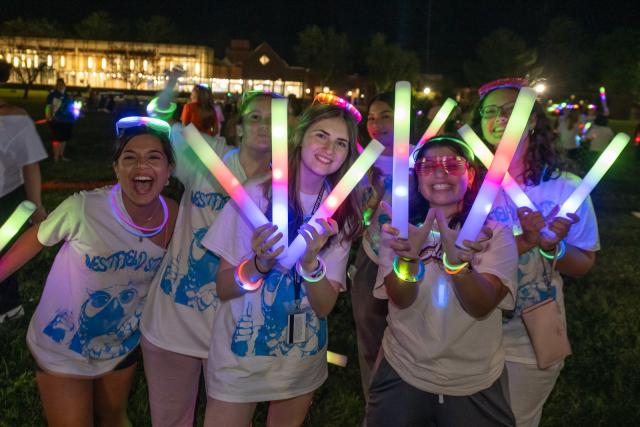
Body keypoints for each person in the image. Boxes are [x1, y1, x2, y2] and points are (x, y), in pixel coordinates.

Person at [0, 118, 179, 426]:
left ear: (168, 171)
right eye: (129, 157)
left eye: (153, 157)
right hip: (65, 343)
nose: (141, 165)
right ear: (116, 169)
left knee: (113, 417)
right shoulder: (83, 209)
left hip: (122, 343)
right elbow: (33, 243)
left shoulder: (175, 216)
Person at [201, 103, 363, 427]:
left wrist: (310, 261)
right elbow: (223, 287)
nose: (329, 148)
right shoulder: (254, 196)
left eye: (341, 143)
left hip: (299, 360)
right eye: (321, 135)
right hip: (240, 357)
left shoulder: (339, 212)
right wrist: (259, 265)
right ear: (300, 137)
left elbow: (324, 305)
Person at [140, 91, 281, 427]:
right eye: (255, 117)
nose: (264, 125)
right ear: (239, 126)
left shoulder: (287, 187)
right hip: (172, 322)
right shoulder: (205, 155)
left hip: (236, 331)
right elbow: (158, 124)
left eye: (274, 119)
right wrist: (163, 104)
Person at [471, 78, 599, 427]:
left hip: (528, 335)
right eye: (490, 112)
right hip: (467, 329)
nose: (498, 119)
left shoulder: (564, 188)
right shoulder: (465, 182)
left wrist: (552, 248)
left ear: (531, 121)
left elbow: (584, 263)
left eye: (510, 111)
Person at [365, 135, 518, 427]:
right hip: (404, 370)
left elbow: (481, 304)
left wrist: (457, 265)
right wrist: (408, 259)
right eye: (428, 166)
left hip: (474, 380)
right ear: (417, 178)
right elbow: (401, 298)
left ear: (471, 175)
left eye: (452, 165)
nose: (440, 173)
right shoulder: (400, 231)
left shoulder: (493, 234)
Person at [350, 92, 395, 396]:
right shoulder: (361, 163)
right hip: (370, 255)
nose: (377, 124)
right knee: (369, 327)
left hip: (411, 257)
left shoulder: (420, 158)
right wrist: (372, 202)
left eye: (386, 116)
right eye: (371, 117)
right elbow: (356, 221)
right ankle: (374, 400)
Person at [0, 59, 48, 323]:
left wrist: (37, 205)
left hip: (6, 198)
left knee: (5, 255)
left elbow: (30, 164)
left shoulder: (15, 118)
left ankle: (8, 307)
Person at [45, 78, 75, 162]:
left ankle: (61, 155)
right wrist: (48, 116)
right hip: (56, 120)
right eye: (58, 85)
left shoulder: (67, 95)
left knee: (64, 138)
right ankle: (56, 157)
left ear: (64, 85)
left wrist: (74, 114)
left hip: (68, 120)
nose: (60, 86)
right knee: (56, 139)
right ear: (56, 86)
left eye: (62, 84)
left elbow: (71, 107)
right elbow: (48, 106)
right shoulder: (52, 95)